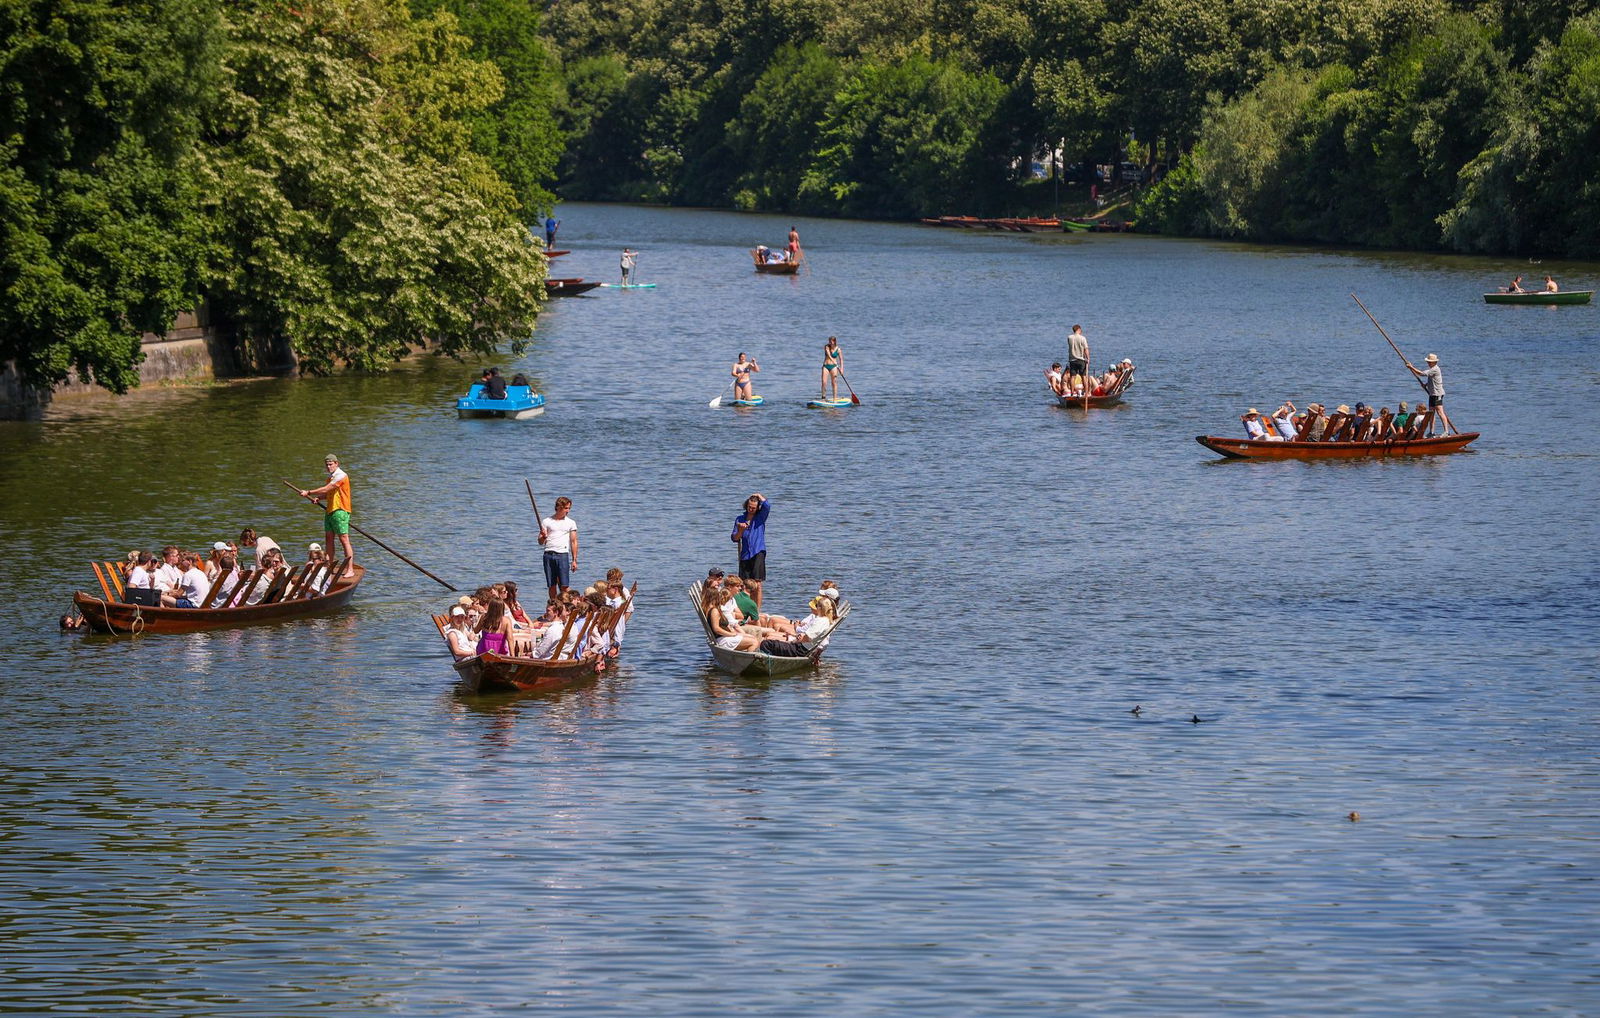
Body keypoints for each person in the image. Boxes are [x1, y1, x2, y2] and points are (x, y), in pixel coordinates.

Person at [298, 454, 355, 578]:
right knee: (328, 538)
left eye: (331, 464)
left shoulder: (341, 476)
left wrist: (309, 492)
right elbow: (329, 494)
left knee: (344, 539)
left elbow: (327, 488)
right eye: (327, 465)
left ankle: (350, 569)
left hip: (340, 511)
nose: (329, 467)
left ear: (336, 463)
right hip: (330, 511)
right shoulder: (331, 478)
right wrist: (318, 498)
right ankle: (328, 566)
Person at [731, 492, 769, 612]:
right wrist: (741, 530)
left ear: (757, 508)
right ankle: (746, 609)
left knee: (757, 583)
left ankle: (756, 610)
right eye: (749, 507)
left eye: (753, 507)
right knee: (745, 584)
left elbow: (767, 505)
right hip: (745, 554)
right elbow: (735, 538)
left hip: (758, 551)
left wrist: (759, 495)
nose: (751, 509)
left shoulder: (760, 517)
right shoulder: (740, 519)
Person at [539, 496, 579, 600]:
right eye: (566, 508)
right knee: (551, 585)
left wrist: (574, 560)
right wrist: (543, 537)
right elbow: (540, 542)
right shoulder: (546, 521)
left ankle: (572, 603)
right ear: (559, 507)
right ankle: (554, 605)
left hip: (562, 555)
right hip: (548, 554)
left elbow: (573, 541)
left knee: (564, 585)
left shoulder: (570, 522)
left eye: (569, 508)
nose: (568, 511)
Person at [1404, 353, 1448, 435]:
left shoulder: (1435, 369)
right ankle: (1431, 432)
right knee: (1431, 414)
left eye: (1430, 362)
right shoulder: (1432, 369)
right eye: (1428, 362)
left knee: (1440, 412)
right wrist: (1426, 385)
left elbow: (1421, 374)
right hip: (1432, 394)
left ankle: (1446, 431)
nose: (1428, 363)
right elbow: (1432, 379)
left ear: (1434, 362)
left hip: (1437, 394)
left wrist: (1411, 367)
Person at [707, 588, 762, 652]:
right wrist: (731, 634)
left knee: (753, 638)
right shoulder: (714, 611)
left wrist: (733, 632)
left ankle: (748, 657)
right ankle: (748, 660)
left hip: (725, 636)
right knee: (754, 642)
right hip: (722, 639)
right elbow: (716, 629)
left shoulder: (716, 609)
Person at [821, 336, 843, 400]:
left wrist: (841, 369)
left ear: (834, 341)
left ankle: (835, 398)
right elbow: (828, 355)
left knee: (834, 382)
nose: (830, 342)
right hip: (826, 366)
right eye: (830, 341)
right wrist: (833, 361)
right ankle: (823, 397)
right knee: (824, 382)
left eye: (832, 341)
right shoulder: (827, 347)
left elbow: (841, 360)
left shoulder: (838, 349)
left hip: (833, 367)